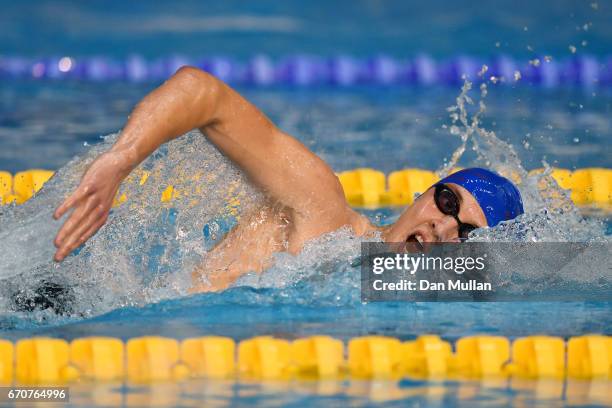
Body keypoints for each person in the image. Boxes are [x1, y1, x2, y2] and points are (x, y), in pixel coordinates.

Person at [52, 66, 524, 292]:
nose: (444, 229)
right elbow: (203, 94)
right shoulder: (323, 215)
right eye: (447, 202)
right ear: (424, 192)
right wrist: (122, 159)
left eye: (465, 234)